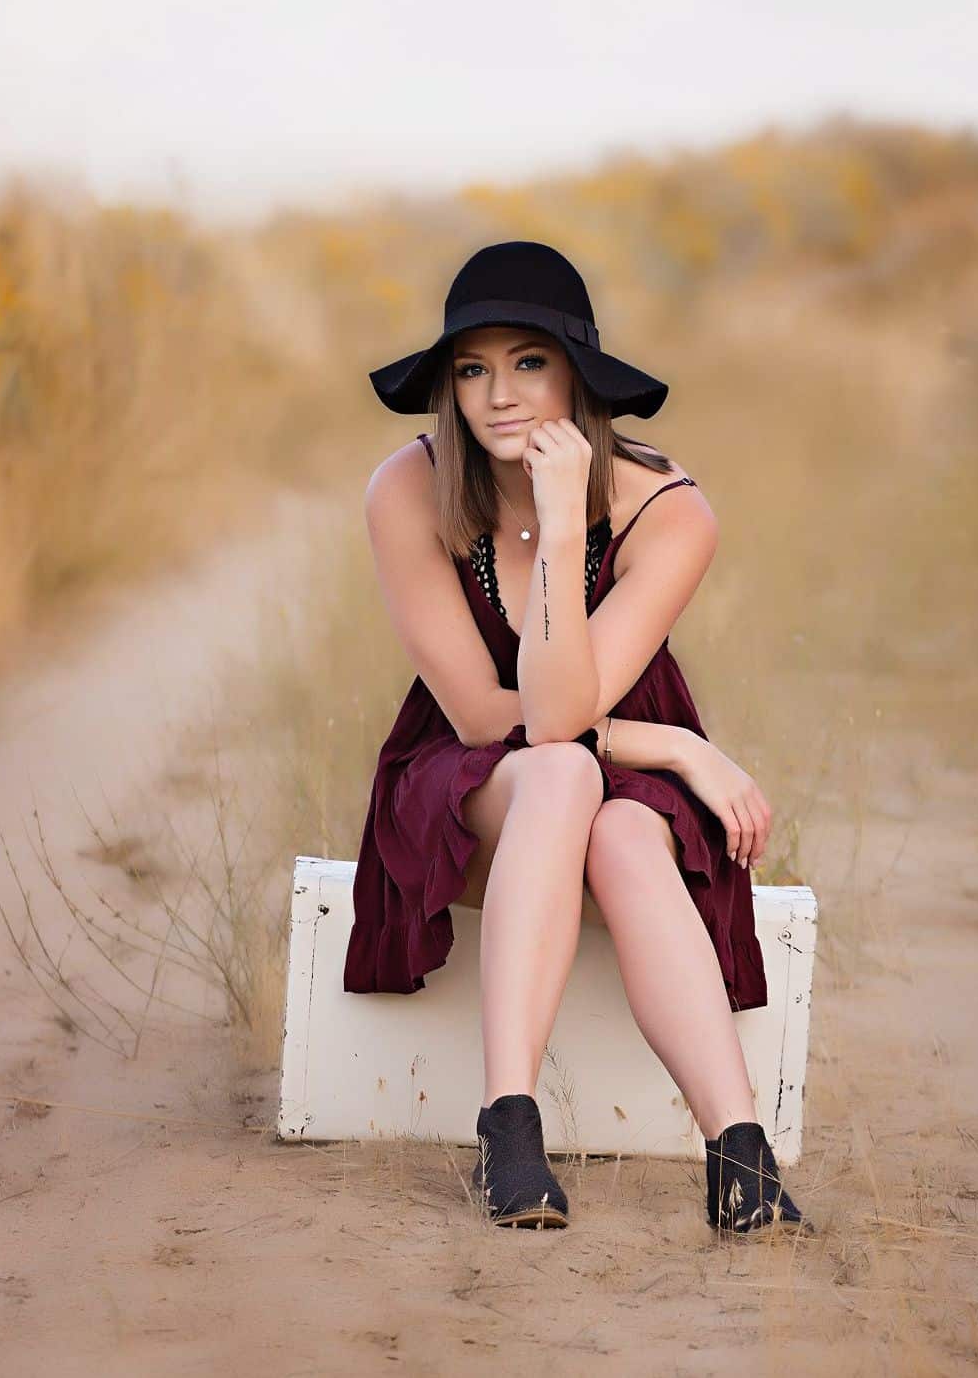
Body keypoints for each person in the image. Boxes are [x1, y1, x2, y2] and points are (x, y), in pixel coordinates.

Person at [347, 241, 812, 1238]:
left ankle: (742, 1159)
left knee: (625, 835)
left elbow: (568, 709)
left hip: (618, 781)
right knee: (559, 776)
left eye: (527, 363)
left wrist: (567, 525)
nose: (497, 396)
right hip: (473, 776)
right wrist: (685, 748)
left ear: (577, 375)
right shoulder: (408, 487)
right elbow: (497, 717)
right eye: (471, 369)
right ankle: (507, 1128)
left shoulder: (669, 509)